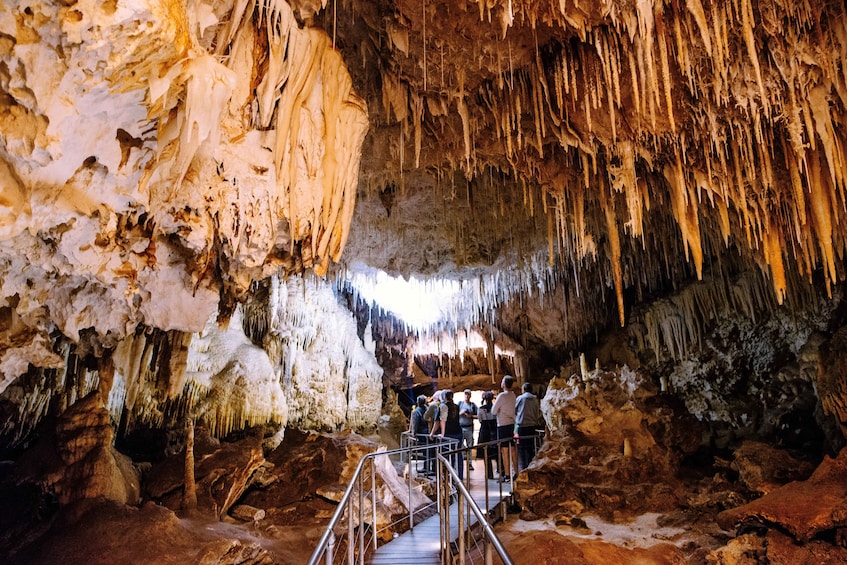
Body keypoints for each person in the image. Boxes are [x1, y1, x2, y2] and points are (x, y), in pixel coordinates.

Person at [430, 389, 464, 480]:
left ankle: (449, 476)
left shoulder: (443, 406)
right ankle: (459, 475)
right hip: (458, 433)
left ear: (444, 397)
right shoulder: (456, 406)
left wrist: (436, 433)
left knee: (447, 455)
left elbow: (440, 421)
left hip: (448, 434)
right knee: (458, 454)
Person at [492, 375, 518, 482]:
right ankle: (516, 472)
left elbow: (493, 411)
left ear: (504, 384)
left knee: (505, 451)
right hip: (512, 424)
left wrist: (499, 410)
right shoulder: (513, 395)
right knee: (513, 450)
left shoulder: (501, 396)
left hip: (502, 425)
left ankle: (507, 475)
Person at [515, 382, 543, 471]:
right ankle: (531, 467)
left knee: (522, 449)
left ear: (523, 390)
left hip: (522, 427)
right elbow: (538, 412)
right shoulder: (535, 400)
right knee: (531, 448)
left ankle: (523, 468)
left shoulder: (520, 398)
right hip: (532, 426)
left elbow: (514, 410)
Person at [476, 390, 498, 478]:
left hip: (484, 432)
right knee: (496, 452)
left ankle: (489, 474)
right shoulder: (495, 408)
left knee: (486, 453)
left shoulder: (481, 409)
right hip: (494, 431)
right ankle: (502, 470)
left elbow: (480, 420)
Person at [409, 395, 431, 474]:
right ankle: (427, 466)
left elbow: (415, 423)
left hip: (422, 433)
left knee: (425, 451)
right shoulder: (427, 409)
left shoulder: (416, 411)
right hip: (428, 432)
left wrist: (413, 433)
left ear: (418, 402)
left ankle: (426, 467)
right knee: (428, 451)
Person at [457, 389, 478, 470]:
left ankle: (469, 463)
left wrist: (471, 416)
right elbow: (455, 415)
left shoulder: (473, 405)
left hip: (469, 427)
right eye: (465, 394)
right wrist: (461, 413)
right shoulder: (460, 404)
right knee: (461, 446)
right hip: (461, 427)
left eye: (468, 394)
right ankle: (461, 462)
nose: (467, 396)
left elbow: (477, 415)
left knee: (469, 446)